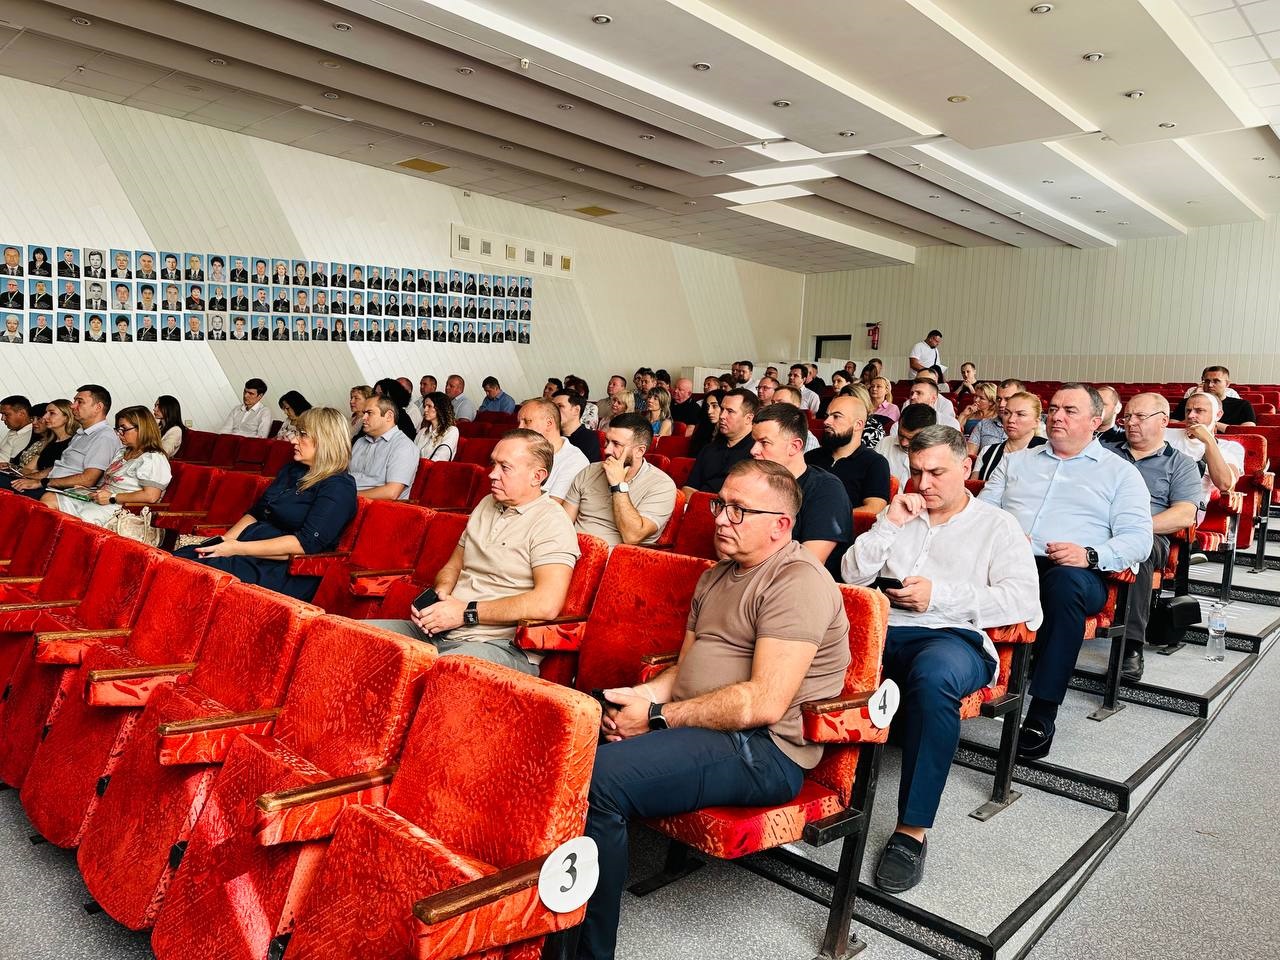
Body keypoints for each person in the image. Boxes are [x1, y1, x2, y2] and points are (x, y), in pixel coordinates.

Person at [580, 458, 850, 958]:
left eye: (738, 509)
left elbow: (764, 702)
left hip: (763, 751)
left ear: (780, 525)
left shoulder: (797, 581)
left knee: (599, 781)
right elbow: (682, 673)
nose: (721, 518)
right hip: (699, 725)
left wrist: (656, 719)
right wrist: (638, 700)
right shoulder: (716, 576)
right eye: (720, 504)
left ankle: (585, 952)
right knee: (560, 731)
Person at [842, 426, 1041, 893]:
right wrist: (889, 523)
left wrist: (940, 596)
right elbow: (851, 575)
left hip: (952, 636)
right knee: (808, 650)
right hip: (883, 628)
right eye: (916, 472)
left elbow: (1024, 601)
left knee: (933, 679)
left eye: (937, 472)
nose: (924, 483)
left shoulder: (997, 525)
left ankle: (911, 830)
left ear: (966, 467)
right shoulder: (900, 513)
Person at [979, 384, 1152, 760]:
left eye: (1070, 410)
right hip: (1012, 563)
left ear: (1095, 421)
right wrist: (1004, 534)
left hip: (1078, 571)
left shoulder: (1119, 473)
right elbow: (981, 512)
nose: (1057, 416)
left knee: (1063, 584)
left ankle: (1042, 711)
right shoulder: (1016, 461)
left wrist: (1089, 554)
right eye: (1054, 408)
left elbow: (1139, 540)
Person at [368, 430, 579, 675]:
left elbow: (546, 604)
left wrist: (465, 613)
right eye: (494, 464)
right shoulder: (486, 503)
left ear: (537, 476)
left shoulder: (552, 522)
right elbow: (453, 566)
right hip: (444, 630)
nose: (492, 474)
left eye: (505, 467)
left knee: (432, 672)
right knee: (353, 637)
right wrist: (441, 596)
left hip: (500, 645)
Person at [177, 409, 358, 601]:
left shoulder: (339, 486)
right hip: (248, 551)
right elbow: (256, 513)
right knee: (180, 558)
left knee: (194, 573)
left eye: (303, 434)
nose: (293, 440)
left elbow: (305, 544)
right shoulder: (293, 470)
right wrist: (224, 542)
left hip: (283, 569)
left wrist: (236, 548)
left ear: (325, 440)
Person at [1102, 394, 1202, 681]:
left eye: (1139, 417)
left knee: (1139, 551)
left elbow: (1184, 515)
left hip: (1150, 533)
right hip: (1095, 528)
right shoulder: (1105, 453)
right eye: (1127, 416)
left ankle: (1131, 645)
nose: (1130, 423)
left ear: (1163, 421)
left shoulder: (1181, 464)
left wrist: (1136, 529)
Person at [750, 403, 852, 570]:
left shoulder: (827, 490)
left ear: (794, 446)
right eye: (754, 442)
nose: (753, 450)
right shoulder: (753, 482)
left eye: (764, 442)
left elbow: (806, 565)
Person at [43, 406, 171, 527]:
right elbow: (109, 484)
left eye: (124, 429)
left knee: (80, 520)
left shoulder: (153, 458)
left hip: (121, 508)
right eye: (118, 429)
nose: (119, 434)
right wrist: (88, 491)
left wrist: (112, 498)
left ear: (142, 429)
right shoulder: (123, 452)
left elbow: (151, 496)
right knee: (49, 499)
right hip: (101, 499)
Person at [562, 414, 676, 547]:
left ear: (639, 451)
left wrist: (618, 485)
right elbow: (564, 523)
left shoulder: (662, 485)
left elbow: (632, 536)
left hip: (617, 557)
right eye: (607, 441)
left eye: (616, 444)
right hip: (570, 549)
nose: (606, 450)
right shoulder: (590, 471)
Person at [9, 386, 118, 499]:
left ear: (98, 407)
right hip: (50, 486)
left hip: (62, 493)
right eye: (74, 401)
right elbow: (60, 466)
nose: (73, 406)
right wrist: (29, 477)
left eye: (80, 402)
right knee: (6, 481)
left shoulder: (104, 436)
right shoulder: (80, 434)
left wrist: (42, 482)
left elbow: (88, 479)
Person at [1165, 391, 1244, 524]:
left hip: (1188, 508)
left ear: (1218, 415)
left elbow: (1225, 484)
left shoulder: (1229, 447)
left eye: (1199, 411)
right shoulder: (1166, 434)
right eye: (1188, 410)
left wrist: (1208, 441)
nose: (1190, 415)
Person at [807, 395, 892, 515]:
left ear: (858, 425)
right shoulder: (811, 457)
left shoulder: (875, 463)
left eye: (836, 416)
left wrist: (828, 519)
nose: (826, 422)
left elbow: (874, 509)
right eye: (827, 416)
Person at [683, 388, 758, 497]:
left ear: (748, 418)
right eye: (722, 409)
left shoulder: (757, 453)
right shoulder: (708, 449)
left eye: (730, 411)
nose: (722, 416)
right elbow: (689, 488)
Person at [517, 399, 589, 502]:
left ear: (549, 423)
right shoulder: (520, 452)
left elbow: (553, 506)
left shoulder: (575, 460)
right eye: (519, 422)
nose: (519, 427)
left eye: (527, 421)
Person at [350, 396, 420, 500]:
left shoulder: (404, 446)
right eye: (364, 413)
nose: (364, 417)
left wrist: (347, 495)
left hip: (375, 506)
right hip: (346, 498)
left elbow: (392, 492)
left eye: (369, 413)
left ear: (389, 416)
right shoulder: (360, 442)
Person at [0, 400, 76, 492]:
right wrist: (13, 468)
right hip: (34, 482)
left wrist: (31, 476)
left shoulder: (74, 442)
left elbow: (56, 472)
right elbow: (28, 468)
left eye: (51, 413)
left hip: (49, 487)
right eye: (46, 413)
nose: (45, 417)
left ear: (67, 417)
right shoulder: (49, 441)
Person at [974, 392, 1047, 481]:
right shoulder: (987, 451)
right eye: (1006, 413)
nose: (1011, 420)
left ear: (1036, 421)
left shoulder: (1048, 451)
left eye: (1020, 414)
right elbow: (975, 486)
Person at [1171, 366, 1256, 428]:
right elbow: (1171, 426)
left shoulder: (1242, 405)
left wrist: (1209, 423)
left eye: (1216, 381)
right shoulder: (1187, 403)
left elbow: (1248, 430)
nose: (1210, 385)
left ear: (1227, 384)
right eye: (1207, 381)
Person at [876, 404, 938, 487]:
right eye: (901, 435)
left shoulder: (938, 455)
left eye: (911, 439)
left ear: (928, 434)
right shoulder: (884, 444)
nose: (903, 443)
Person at [553, 390, 602, 464]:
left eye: (560, 406)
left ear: (576, 410)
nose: (553, 411)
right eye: (552, 407)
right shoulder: (552, 435)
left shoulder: (589, 439)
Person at [416, 391, 459, 461]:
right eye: (424, 406)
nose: (425, 410)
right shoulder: (422, 432)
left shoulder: (451, 431)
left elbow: (441, 457)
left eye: (429, 406)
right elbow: (412, 454)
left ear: (440, 408)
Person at [960, 383, 1003, 455]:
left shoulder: (996, 417)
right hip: (965, 448)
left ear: (991, 402)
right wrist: (963, 415)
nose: (976, 400)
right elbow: (956, 432)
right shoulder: (969, 413)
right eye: (975, 396)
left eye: (981, 398)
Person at [687, 389, 723, 457]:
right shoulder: (703, 429)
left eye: (714, 406)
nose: (709, 411)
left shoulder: (730, 434)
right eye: (707, 407)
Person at [0, 396, 34, 465]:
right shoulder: (14, 429)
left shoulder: (30, 435)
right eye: (2, 414)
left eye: (6, 414)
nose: (2, 418)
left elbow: (13, 465)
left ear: (22, 414)